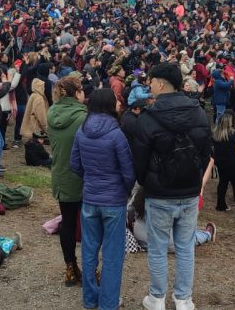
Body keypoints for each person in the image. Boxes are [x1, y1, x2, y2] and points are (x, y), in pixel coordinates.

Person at [132, 62, 211, 310]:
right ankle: (183, 299)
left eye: (151, 81)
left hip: (160, 193)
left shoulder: (148, 117)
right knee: (185, 247)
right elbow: (206, 152)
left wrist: (146, 183)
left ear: (162, 84)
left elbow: (140, 159)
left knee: (158, 248)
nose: (149, 85)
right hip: (188, 191)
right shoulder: (198, 112)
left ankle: (157, 298)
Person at [70, 89, 136, 310]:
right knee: (112, 255)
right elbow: (128, 171)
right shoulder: (117, 134)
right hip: (114, 201)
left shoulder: (82, 130)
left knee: (89, 250)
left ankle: (90, 299)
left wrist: (90, 179)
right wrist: (124, 190)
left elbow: (75, 164)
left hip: (90, 199)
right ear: (109, 104)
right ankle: (108, 303)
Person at [46, 76, 88, 286]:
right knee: (89, 226)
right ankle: (91, 270)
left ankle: (70, 267)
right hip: (83, 178)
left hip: (61, 174)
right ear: (76, 92)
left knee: (68, 224)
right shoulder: (83, 117)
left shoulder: (51, 112)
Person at [212, 109, 235, 215]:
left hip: (221, 163)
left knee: (222, 183)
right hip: (234, 164)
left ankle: (220, 205)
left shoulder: (216, 135)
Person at [20, 76, 48, 142]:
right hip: (36, 128)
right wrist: (46, 128)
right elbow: (41, 115)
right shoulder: (39, 98)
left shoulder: (33, 95)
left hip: (31, 126)